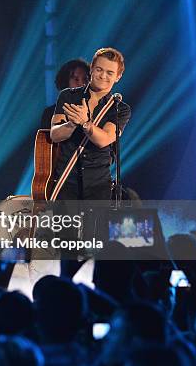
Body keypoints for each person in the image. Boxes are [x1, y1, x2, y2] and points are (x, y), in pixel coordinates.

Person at [50, 48, 131, 278]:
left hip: (98, 185)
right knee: (66, 248)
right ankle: (65, 290)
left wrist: (85, 122)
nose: (103, 76)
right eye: (99, 70)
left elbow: (104, 139)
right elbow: (55, 134)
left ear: (118, 77)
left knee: (93, 249)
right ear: (91, 70)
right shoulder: (68, 96)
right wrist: (72, 124)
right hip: (67, 181)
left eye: (109, 72)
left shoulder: (119, 109)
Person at [39, 59, 90, 129]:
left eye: (85, 79)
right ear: (65, 82)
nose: (82, 84)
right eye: (76, 79)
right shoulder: (50, 113)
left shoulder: (96, 109)